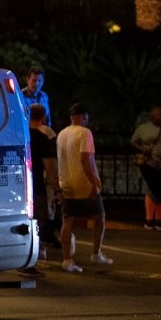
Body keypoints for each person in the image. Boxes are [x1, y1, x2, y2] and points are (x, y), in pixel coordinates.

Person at [56, 102, 111, 273]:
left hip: (65, 183)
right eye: (86, 116)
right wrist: (94, 182)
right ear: (82, 116)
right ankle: (96, 253)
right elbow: (85, 159)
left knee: (68, 221)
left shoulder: (61, 134)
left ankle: (67, 259)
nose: (87, 119)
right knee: (99, 217)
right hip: (83, 184)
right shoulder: (85, 133)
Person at [23, 103, 58, 274]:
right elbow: (49, 167)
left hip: (20, 185)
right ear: (43, 117)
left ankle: (25, 258)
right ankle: (31, 262)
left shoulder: (20, 134)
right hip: (36, 186)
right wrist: (57, 187)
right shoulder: (41, 138)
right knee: (39, 222)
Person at [130, 106, 161, 230]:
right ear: (152, 116)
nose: (159, 116)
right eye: (157, 114)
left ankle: (159, 220)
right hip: (150, 164)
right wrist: (143, 149)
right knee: (151, 189)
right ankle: (150, 219)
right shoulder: (144, 128)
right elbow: (133, 141)